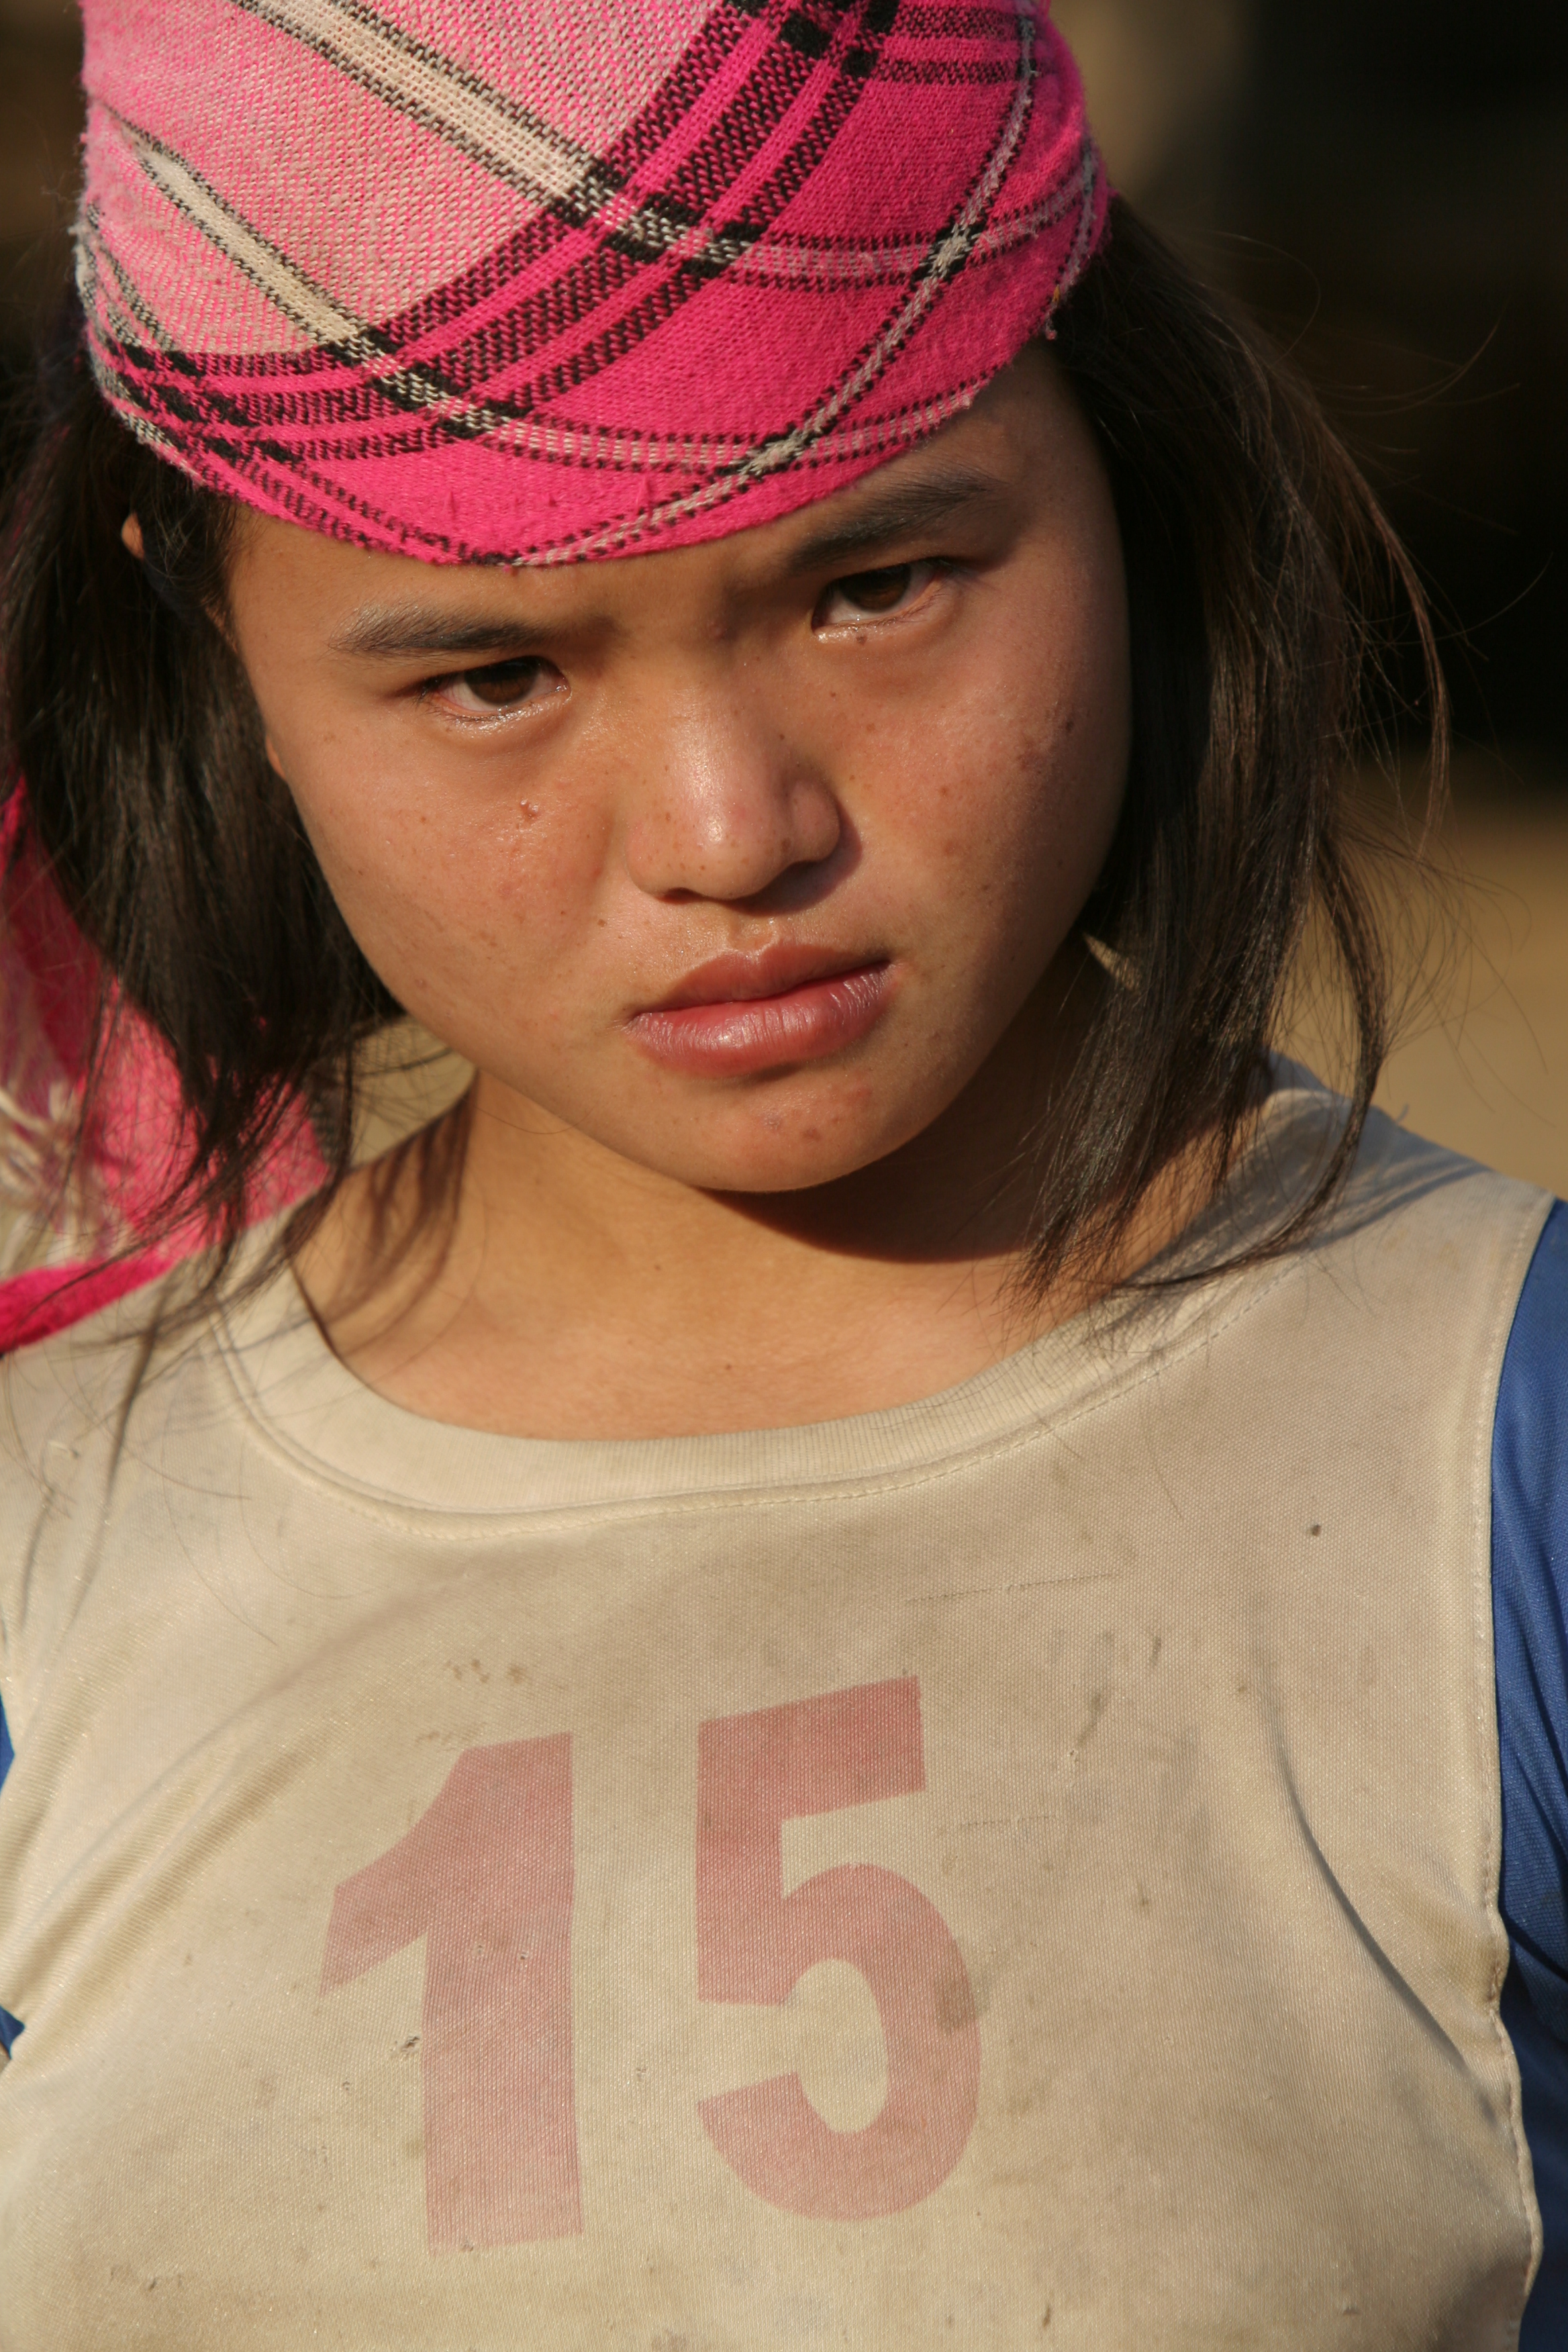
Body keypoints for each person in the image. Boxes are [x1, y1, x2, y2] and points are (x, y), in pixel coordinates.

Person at [0, 1, 1563, 2342]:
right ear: (205, 638)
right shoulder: (53, 1570)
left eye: (879, 587)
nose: (735, 831)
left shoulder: (1491, 1448)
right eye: (492, 677)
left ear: (1120, 471)